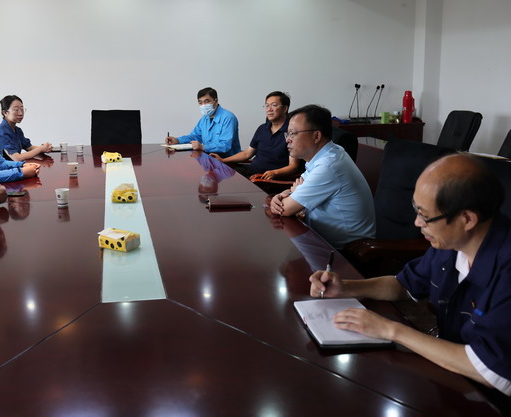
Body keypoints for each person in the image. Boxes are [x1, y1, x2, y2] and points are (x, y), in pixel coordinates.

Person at [310, 154, 511, 396]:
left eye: (425, 216)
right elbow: (403, 285)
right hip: (450, 373)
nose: (417, 223)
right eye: (416, 210)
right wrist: (347, 288)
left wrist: (391, 330)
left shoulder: (505, 268)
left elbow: (492, 371)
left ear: (466, 219)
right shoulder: (451, 244)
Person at [269, 105, 375, 250]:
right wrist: (281, 195)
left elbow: (286, 209)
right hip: (319, 239)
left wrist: (290, 198)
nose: (287, 140)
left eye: (293, 133)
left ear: (316, 136)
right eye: (287, 134)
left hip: (345, 251)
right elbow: (295, 190)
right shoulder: (326, 155)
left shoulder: (329, 165)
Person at [210, 91, 299, 180]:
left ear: (285, 109)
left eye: (274, 105)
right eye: (267, 105)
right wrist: (223, 160)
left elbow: (293, 166)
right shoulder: (262, 128)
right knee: (217, 174)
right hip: (251, 171)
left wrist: (275, 172)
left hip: (266, 179)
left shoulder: (292, 132)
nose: (269, 109)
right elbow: (247, 154)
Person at [166, 87, 240, 158]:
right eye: (200, 102)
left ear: (216, 101)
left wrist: (203, 147)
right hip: (209, 159)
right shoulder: (204, 119)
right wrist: (177, 140)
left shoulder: (228, 118)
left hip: (227, 162)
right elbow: (194, 137)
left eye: (207, 101)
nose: (203, 105)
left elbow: (225, 145)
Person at [0, 95, 53, 161]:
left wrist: (45, 148)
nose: (20, 113)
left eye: (22, 109)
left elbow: (29, 147)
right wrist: (40, 149)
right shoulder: (0, 133)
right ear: (5, 113)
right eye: (16, 110)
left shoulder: (18, 130)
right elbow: (17, 158)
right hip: (2, 167)